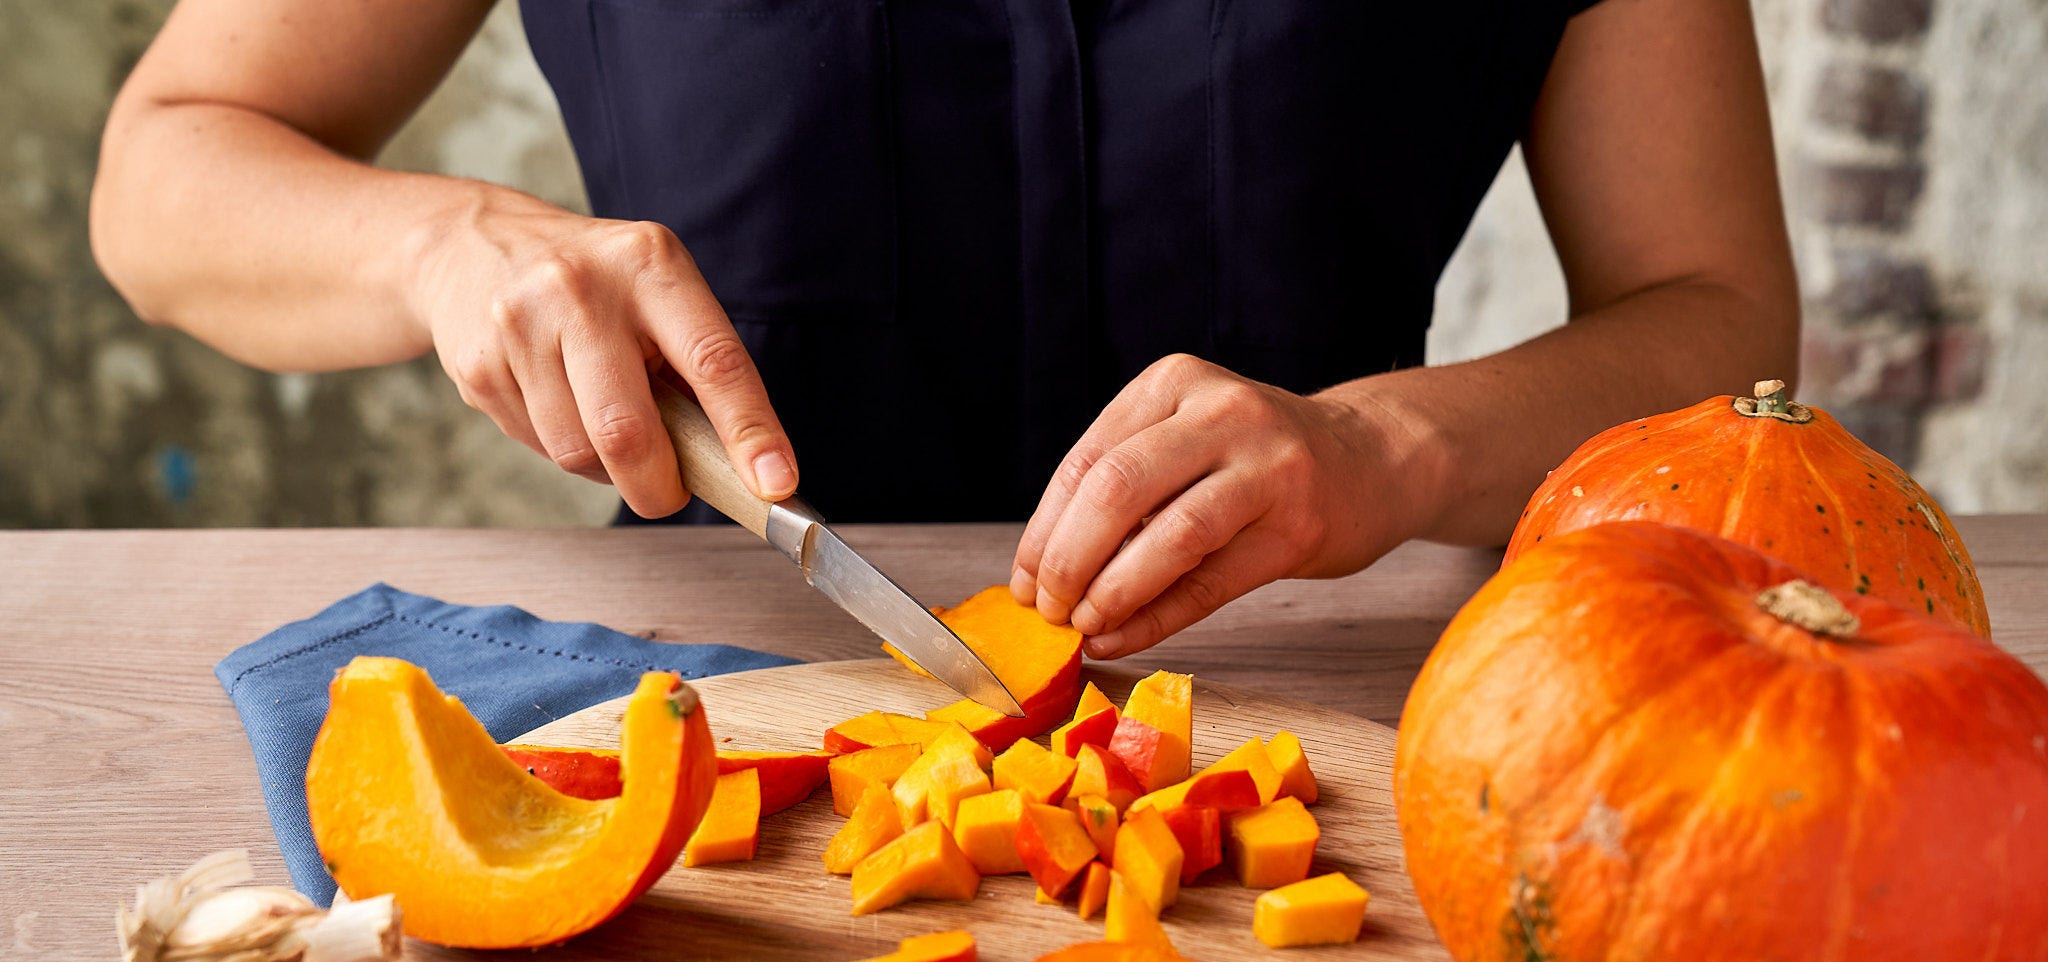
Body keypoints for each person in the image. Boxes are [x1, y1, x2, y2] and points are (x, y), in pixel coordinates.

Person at [92, 0, 1796, 659]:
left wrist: (1386, 447)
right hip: (709, 737)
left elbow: (1724, 324)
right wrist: (444, 245)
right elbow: (168, 163)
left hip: (1342, 740)